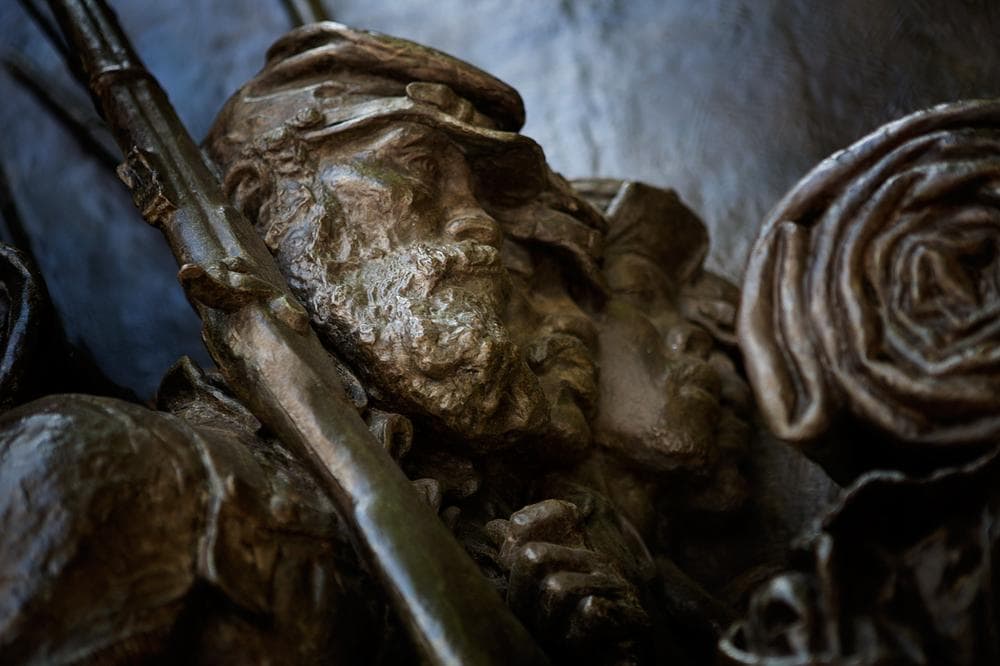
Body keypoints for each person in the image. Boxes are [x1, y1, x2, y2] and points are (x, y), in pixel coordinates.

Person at [0, 22, 750, 664]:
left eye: (484, 197)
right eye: (420, 172)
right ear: (272, 212)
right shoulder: (114, 473)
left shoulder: (520, 542)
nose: (477, 223)